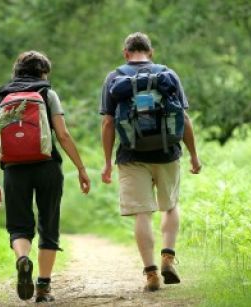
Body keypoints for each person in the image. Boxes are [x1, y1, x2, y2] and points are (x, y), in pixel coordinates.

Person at [100, 32, 201, 292]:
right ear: (150, 52)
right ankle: (168, 256)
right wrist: (194, 155)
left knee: (142, 214)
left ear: (125, 53)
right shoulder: (168, 74)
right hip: (167, 152)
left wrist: (108, 162)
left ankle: (151, 274)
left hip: (132, 155)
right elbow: (184, 118)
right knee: (170, 206)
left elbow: (108, 122)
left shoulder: (115, 78)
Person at [0, 50, 91, 302]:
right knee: (49, 222)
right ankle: (43, 287)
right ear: (43, 72)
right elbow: (63, 135)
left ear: (17, 71)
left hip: (13, 169)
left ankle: (23, 259)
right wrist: (81, 168)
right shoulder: (47, 94)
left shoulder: (3, 97)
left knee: (19, 225)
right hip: (47, 167)